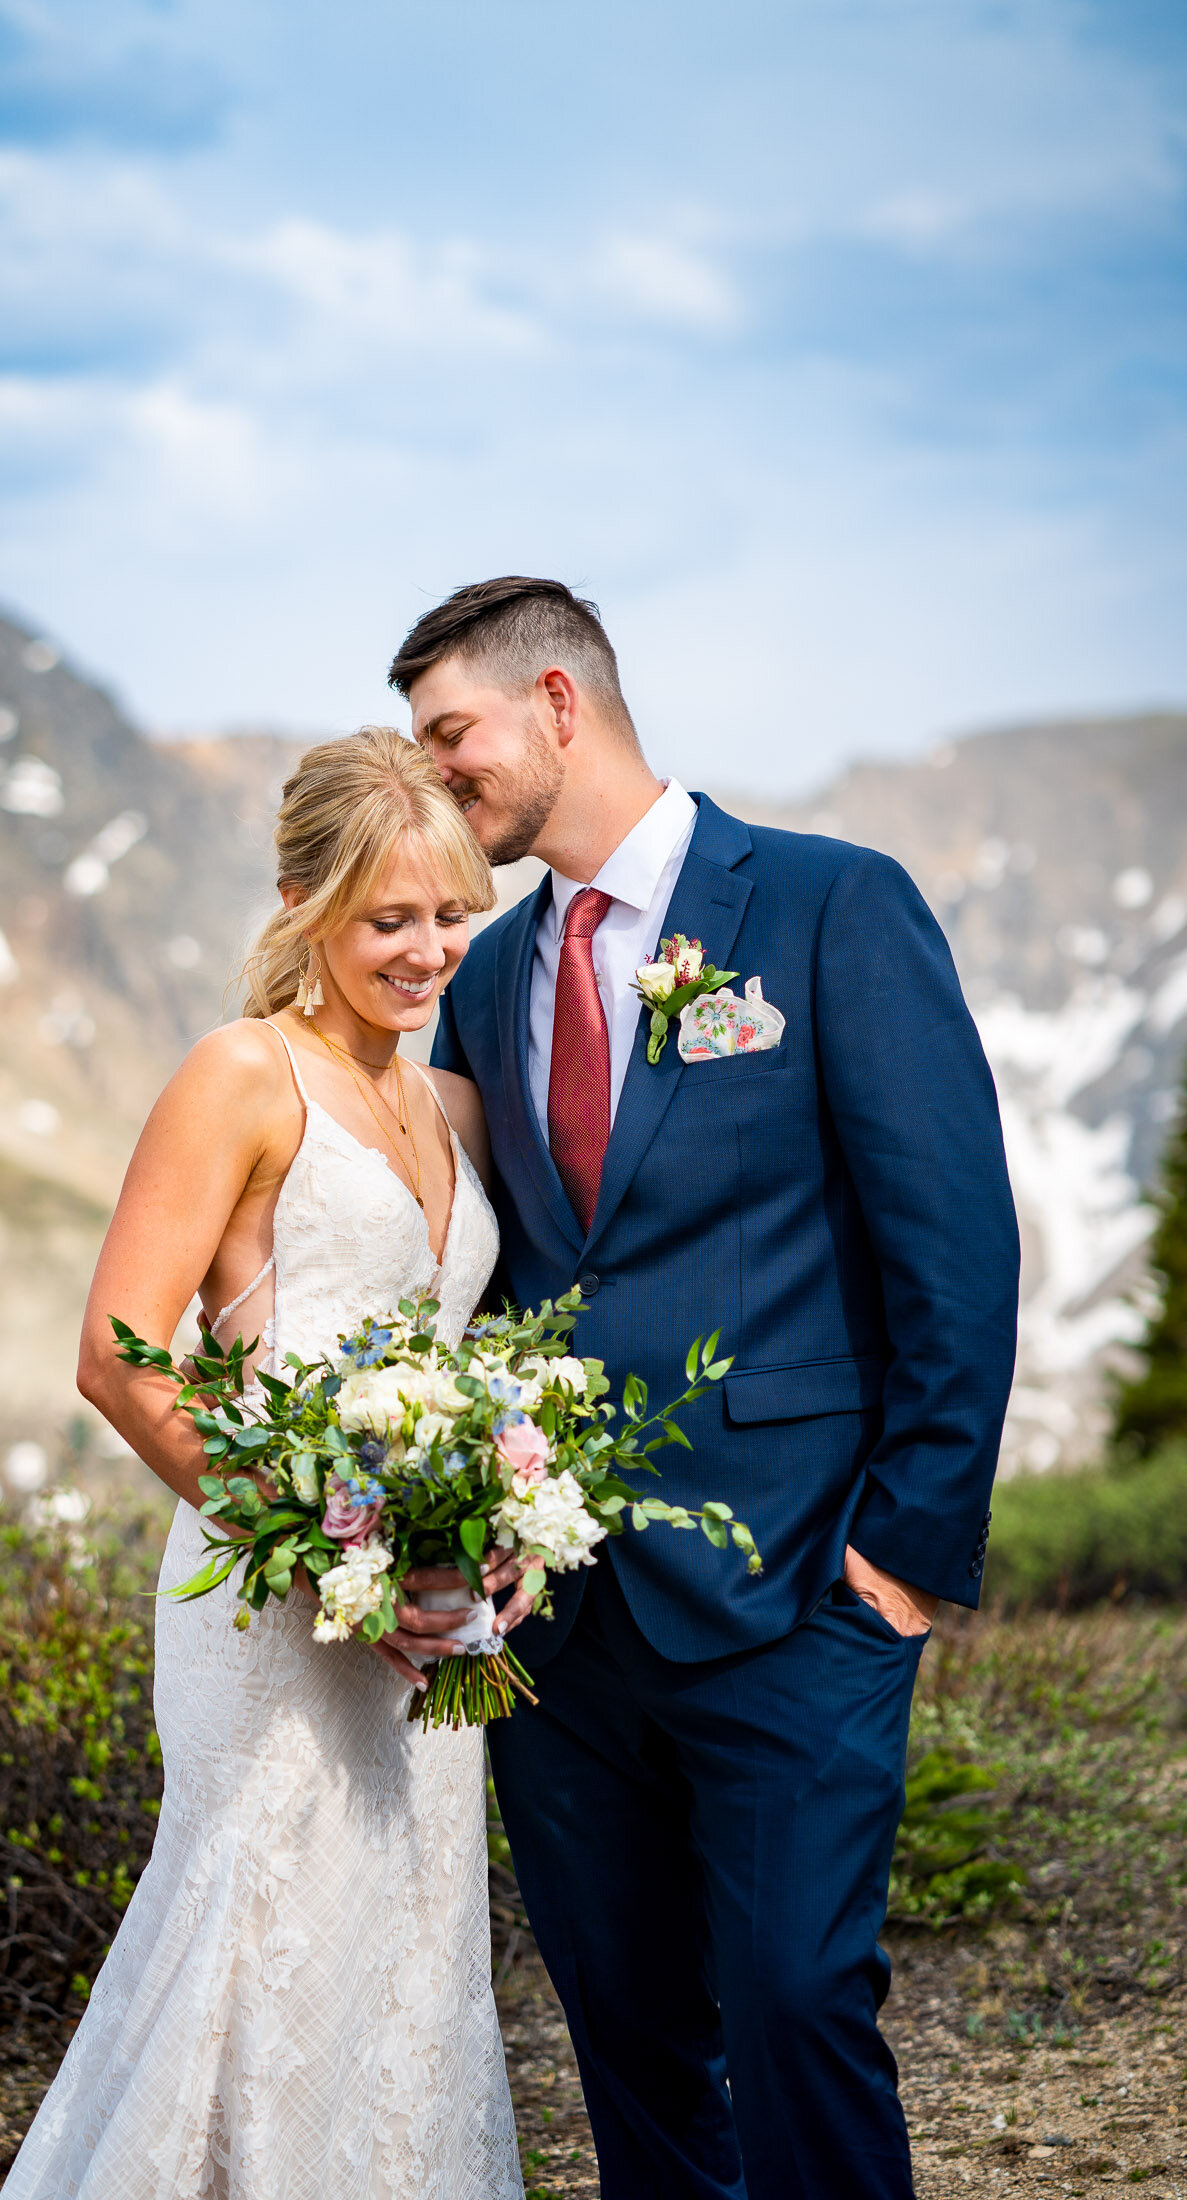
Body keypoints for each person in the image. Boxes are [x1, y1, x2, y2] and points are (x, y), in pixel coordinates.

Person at [397, 578, 1020, 2200]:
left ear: (556, 702)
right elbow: (502, 1279)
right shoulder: (487, 977)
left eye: (450, 733)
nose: (437, 770)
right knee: (626, 2026)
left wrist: (902, 1562)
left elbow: (951, 1244)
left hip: (801, 1583)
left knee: (801, 1999)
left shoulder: (829, 907)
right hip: (563, 1621)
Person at [1, 728, 524, 2200]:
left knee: (414, 1942)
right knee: (261, 1923)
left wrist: (477, 1542)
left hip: (425, 1626)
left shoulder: (453, 1107)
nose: (427, 951)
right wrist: (326, 1552)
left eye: (449, 915)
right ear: (305, 901)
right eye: (389, 919)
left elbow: (474, 1370)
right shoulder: (241, 1075)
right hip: (265, 1604)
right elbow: (117, 1353)